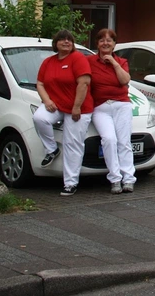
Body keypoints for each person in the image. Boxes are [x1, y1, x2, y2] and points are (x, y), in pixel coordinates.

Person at [33, 30, 94, 196]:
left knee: (72, 143)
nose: (66, 42)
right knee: (39, 118)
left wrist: (76, 107)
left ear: (73, 43)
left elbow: (84, 83)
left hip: (78, 107)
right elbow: (40, 84)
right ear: (56, 43)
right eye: (62, 39)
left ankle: (70, 183)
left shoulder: (78, 58)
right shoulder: (48, 62)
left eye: (69, 40)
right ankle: (52, 149)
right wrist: (47, 101)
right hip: (57, 105)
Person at [88, 28, 135, 194]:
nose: (105, 43)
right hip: (100, 107)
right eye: (102, 40)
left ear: (115, 44)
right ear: (97, 44)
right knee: (109, 140)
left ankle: (128, 179)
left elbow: (124, 81)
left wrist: (113, 63)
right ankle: (115, 179)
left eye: (109, 40)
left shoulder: (121, 61)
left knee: (124, 142)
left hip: (122, 105)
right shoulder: (89, 61)